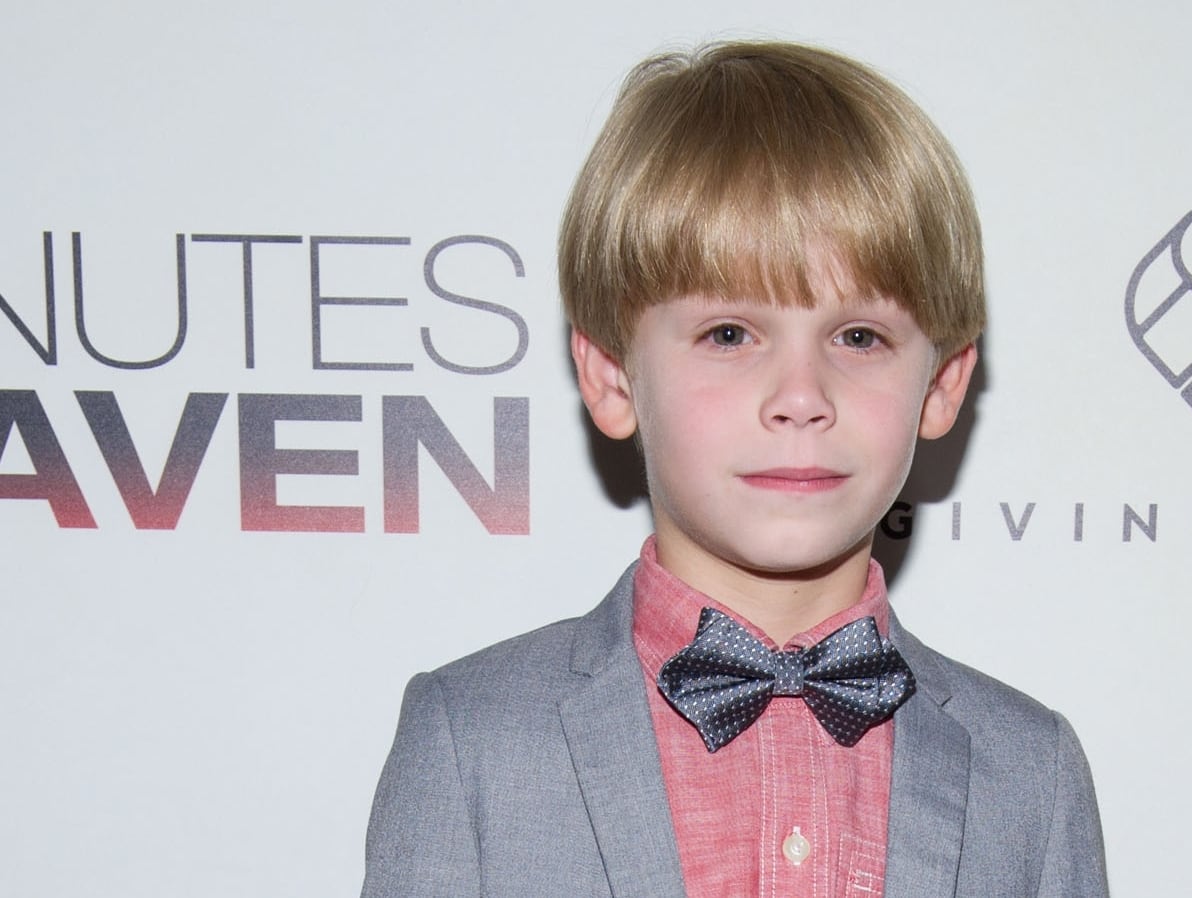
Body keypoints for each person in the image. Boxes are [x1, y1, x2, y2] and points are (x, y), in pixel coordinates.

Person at [362, 40, 1108, 898]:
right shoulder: (473, 739)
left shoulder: (1032, 773)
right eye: (729, 334)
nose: (800, 396)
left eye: (858, 337)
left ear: (941, 386)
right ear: (611, 377)